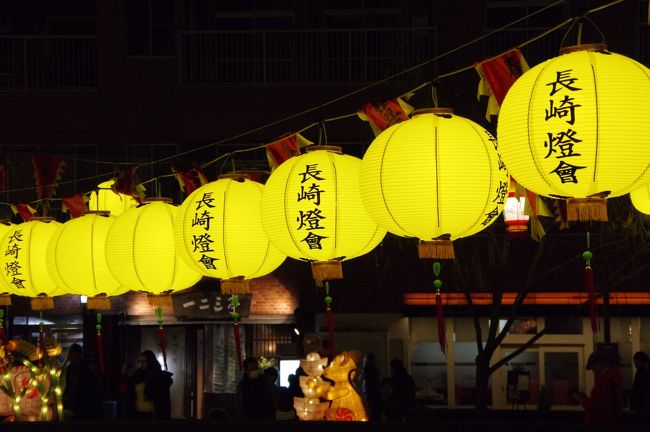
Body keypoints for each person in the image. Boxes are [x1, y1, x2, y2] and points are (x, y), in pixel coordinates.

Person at [576, 350, 624, 425]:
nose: (593, 370)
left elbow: (594, 406)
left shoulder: (603, 381)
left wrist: (582, 400)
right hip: (611, 421)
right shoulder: (614, 378)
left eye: (593, 367)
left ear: (599, 363)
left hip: (599, 423)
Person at [127, 350, 173, 419]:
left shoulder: (159, 376)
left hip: (153, 415)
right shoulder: (137, 375)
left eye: (144, 361)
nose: (141, 363)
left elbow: (162, 399)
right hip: (137, 413)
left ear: (150, 361)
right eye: (140, 361)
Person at [62, 343, 101, 420]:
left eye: (71, 354)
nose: (69, 357)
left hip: (83, 403)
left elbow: (89, 387)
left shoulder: (86, 369)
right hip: (73, 403)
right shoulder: (70, 369)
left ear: (78, 354)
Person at [630, 351, 650, 419]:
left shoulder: (641, 373)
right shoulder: (644, 371)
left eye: (636, 361)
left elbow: (638, 389)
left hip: (642, 404)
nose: (635, 363)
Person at [363, 353, 381, 421]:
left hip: (372, 393)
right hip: (370, 392)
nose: (364, 360)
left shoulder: (371, 370)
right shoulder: (372, 369)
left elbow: (368, 379)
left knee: (372, 408)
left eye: (365, 359)